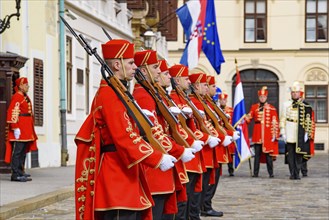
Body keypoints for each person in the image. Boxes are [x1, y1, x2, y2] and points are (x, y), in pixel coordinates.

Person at [74, 40, 176, 220]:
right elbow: (124, 136)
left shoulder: (118, 91)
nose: (135, 67)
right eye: (130, 63)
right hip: (116, 173)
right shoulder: (109, 94)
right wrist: (157, 158)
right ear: (116, 65)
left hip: (125, 169)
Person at [133, 50, 195, 219]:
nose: (160, 72)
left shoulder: (150, 93)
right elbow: (154, 132)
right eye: (156, 68)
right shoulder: (143, 96)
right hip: (156, 164)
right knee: (158, 211)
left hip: (163, 159)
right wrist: (179, 150)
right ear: (144, 70)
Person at [5, 77, 37, 182]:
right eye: (26, 85)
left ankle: (20, 171)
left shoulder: (24, 96)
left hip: (26, 127)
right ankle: (15, 174)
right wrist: (15, 127)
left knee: (23, 151)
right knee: (17, 151)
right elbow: (12, 112)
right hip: (20, 126)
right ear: (20, 86)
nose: (28, 86)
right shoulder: (17, 97)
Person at [280, 82, 314, 180]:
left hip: (300, 132)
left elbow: (308, 120)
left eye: (296, 92)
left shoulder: (305, 105)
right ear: (291, 94)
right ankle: (292, 172)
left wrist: (307, 132)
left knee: (299, 153)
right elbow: (282, 118)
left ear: (300, 93)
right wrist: (283, 132)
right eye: (293, 92)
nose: (295, 94)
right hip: (289, 130)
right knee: (290, 154)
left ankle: (297, 172)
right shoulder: (286, 104)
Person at [245, 86, 279, 178]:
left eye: (264, 97)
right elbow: (249, 117)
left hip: (267, 134)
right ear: (259, 97)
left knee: (268, 155)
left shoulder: (271, 108)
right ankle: (255, 173)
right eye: (261, 97)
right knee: (257, 155)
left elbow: (275, 122)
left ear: (266, 97)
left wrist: (275, 134)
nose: (262, 98)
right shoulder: (254, 107)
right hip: (257, 132)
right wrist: (243, 119)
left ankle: (271, 173)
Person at [218, 92, 235, 176]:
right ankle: (219, 170)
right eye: (221, 100)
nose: (223, 102)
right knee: (220, 151)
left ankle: (231, 170)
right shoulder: (216, 110)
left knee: (230, 152)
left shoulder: (231, 110)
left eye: (224, 100)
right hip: (220, 132)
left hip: (229, 133)